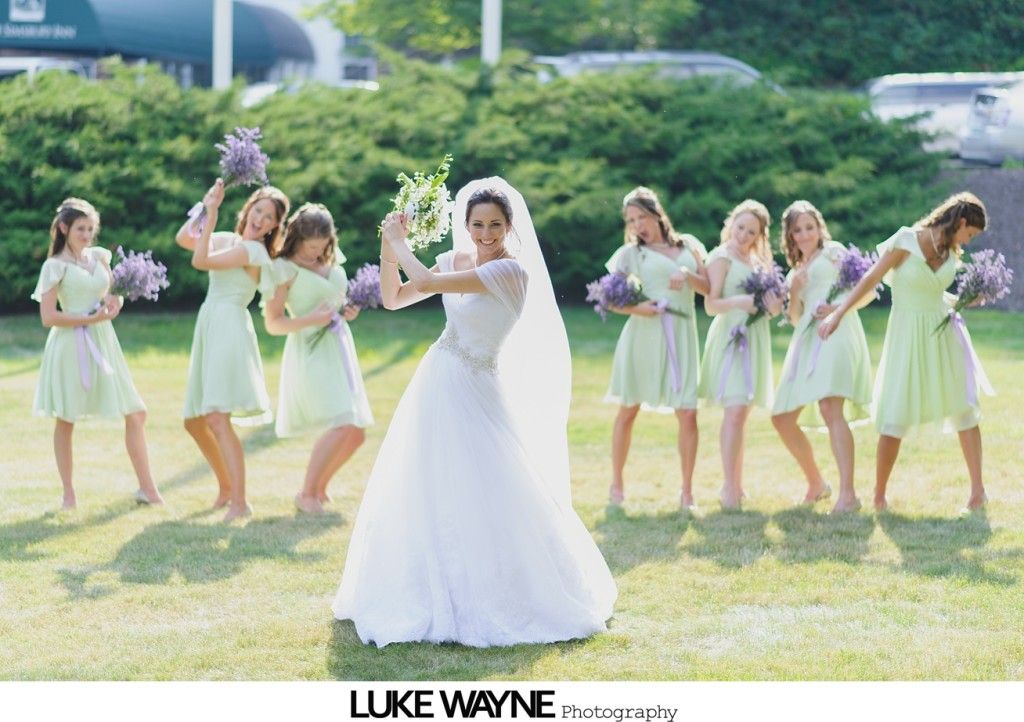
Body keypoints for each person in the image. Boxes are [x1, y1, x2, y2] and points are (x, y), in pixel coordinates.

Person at [333, 178, 616, 647]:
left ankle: (501, 593)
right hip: (435, 383)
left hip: (476, 387)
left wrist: (401, 243)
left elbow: (423, 280)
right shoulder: (455, 260)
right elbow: (395, 296)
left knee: (491, 486)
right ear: (465, 226)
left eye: (495, 225)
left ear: (509, 227)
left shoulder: (511, 273)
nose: (486, 233)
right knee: (428, 484)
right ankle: (428, 588)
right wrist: (388, 248)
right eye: (478, 224)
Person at [819, 192, 993, 513]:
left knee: (964, 408)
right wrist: (838, 313)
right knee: (895, 414)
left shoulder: (953, 253)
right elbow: (871, 278)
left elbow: (937, 295)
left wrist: (968, 300)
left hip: (943, 334)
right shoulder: (907, 240)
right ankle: (879, 494)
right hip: (906, 336)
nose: (968, 241)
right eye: (970, 234)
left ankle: (978, 492)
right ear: (962, 222)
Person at [32, 198, 163, 510]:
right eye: (81, 228)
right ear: (64, 228)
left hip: (105, 340)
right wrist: (89, 319)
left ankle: (148, 489)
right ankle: (68, 494)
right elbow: (48, 317)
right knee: (66, 419)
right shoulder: (54, 267)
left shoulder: (100, 257)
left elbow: (109, 291)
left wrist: (116, 301)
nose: (87, 234)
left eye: (91, 228)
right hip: (70, 344)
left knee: (136, 412)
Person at [176, 180, 289, 522]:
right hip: (210, 323)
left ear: (273, 227)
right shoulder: (230, 239)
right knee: (194, 421)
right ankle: (226, 489)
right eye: (259, 211)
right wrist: (205, 203)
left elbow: (201, 260)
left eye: (269, 218)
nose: (261, 220)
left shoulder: (253, 252)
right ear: (249, 208)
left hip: (229, 326)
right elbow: (184, 238)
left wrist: (211, 215)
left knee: (216, 417)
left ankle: (240, 502)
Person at [604, 187, 709, 512]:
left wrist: (687, 274)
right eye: (631, 220)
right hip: (644, 335)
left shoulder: (689, 246)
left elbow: (708, 290)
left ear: (657, 214)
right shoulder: (630, 254)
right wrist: (639, 309)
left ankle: (687, 493)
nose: (637, 225)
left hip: (681, 335)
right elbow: (609, 299)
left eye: (642, 217)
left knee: (689, 414)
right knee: (628, 410)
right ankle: (617, 484)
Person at [263, 203, 372, 514]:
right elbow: (273, 323)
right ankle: (306, 493)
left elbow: (337, 305)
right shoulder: (284, 269)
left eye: (322, 246)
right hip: (309, 349)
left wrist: (349, 311)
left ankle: (321, 487)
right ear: (297, 238)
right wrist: (311, 319)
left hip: (338, 348)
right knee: (341, 423)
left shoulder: (333, 261)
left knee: (356, 433)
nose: (316, 253)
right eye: (310, 247)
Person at [771, 201, 873, 513]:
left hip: (838, 331)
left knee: (830, 407)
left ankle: (848, 494)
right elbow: (793, 318)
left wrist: (838, 309)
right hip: (806, 340)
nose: (804, 234)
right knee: (781, 417)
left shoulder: (835, 253)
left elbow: (867, 291)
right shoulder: (795, 272)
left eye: (809, 227)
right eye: (797, 230)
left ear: (819, 228)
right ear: (789, 235)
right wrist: (795, 291)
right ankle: (817, 483)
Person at [697, 200, 783, 510]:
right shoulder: (720, 257)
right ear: (731, 223)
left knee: (741, 415)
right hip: (731, 338)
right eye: (741, 227)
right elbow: (711, 305)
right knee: (733, 413)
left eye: (752, 231)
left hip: (754, 337)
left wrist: (772, 307)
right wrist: (741, 302)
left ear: (760, 235)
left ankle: (736, 483)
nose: (744, 235)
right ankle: (729, 487)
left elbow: (768, 307)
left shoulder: (760, 262)